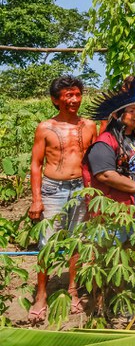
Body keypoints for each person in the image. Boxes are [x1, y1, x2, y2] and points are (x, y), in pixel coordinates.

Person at [84, 68, 135, 296]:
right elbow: (105, 174)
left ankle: (129, 293)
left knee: (133, 247)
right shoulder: (104, 142)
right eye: (132, 111)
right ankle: (108, 296)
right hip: (116, 206)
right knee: (114, 249)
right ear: (118, 116)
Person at [27, 76, 97, 323]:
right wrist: (36, 200)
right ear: (55, 100)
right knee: (47, 243)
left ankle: (73, 289)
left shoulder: (88, 125)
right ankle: (42, 294)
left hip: (80, 188)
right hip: (52, 188)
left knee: (78, 240)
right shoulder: (45, 127)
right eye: (68, 95)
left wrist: (92, 194)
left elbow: (91, 162)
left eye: (77, 94)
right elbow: (36, 164)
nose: (74, 100)